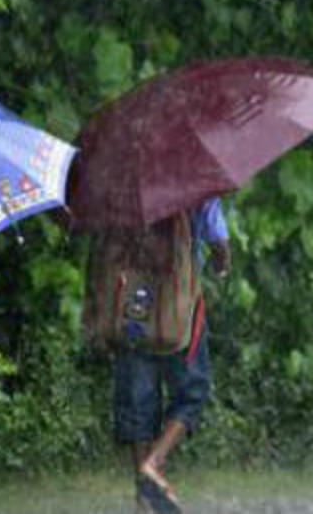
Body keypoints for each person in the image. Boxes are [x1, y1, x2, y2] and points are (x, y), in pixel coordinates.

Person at [87, 197, 230, 514]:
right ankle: (153, 464)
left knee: (137, 402)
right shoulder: (195, 182)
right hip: (179, 309)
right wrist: (222, 262)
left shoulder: (118, 181)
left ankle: (143, 501)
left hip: (129, 309)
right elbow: (218, 241)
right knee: (191, 391)